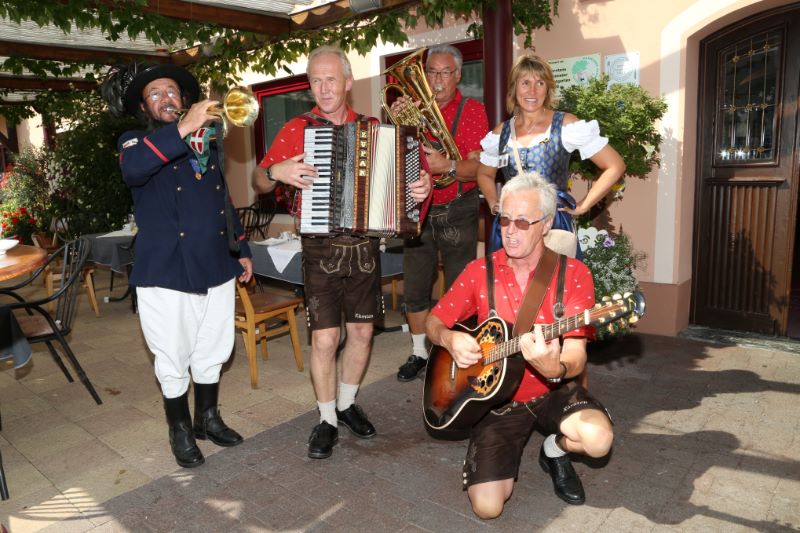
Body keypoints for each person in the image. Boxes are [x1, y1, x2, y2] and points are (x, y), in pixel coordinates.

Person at [252, 46, 431, 459]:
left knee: (363, 332)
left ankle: (347, 403)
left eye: (331, 79)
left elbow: (408, 186)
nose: (324, 88)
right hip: (319, 248)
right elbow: (258, 181)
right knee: (326, 337)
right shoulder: (298, 128)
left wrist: (419, 189)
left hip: (365, 247)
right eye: (316, 81)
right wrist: (275, 171)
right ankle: (327, 418)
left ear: (348, 83)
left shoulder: (375, 128)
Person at [426, 173, 613, 518]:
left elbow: (575, 356)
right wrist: (449, 339)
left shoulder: (573, 274)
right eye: (505, 219)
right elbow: (434, 320)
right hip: (497, 399)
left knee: (598, 441)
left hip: (551, 389)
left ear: (546, 224)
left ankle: (554, 450)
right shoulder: (479, 270)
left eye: (523, 222)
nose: (510, 231)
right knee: (488, 508)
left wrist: (554, 367)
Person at [102, 63, 253, 469]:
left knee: (213, 347)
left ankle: (208, 418)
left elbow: (222, 198)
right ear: (144, 107)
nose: (165, 98)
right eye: (155, 94)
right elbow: (135, 170)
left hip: (215, 261)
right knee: (172, 354)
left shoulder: (207, 141)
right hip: (166, 269)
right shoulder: (134, 141)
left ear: (184, 99)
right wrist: (185, 127)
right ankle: (180, 430)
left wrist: (241, 248)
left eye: (171, 91)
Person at [391, 45, 490, 383]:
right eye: (431, 71)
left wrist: (447, 165)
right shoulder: (411, 108)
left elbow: (480, 168)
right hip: (418, 208)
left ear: (457, 75)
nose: (436, 79)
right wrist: (398, 123)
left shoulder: (473, 110)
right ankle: (420, 352)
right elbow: (395, 157)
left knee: (460, 288)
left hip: (458, 208)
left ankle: (453, 353)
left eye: (445, 72)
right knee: (415, 287)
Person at [476, 54, 625, 255]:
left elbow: (615, 165)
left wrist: (583, 206)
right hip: (511, 223)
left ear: (548, 89)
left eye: (540, 83)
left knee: (553, 274)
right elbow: (484, 173)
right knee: (508, 274)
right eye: (525, 83)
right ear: (514, 88)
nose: (532, 91)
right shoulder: (500, 133)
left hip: (552, 223)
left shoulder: (564, 125)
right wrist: (494, 203)